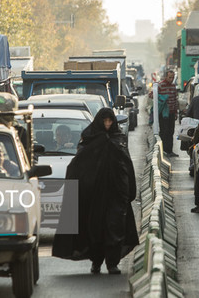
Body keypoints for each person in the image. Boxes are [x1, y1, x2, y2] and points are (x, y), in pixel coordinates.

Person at [52, 108, 139, 274]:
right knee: (95, 229)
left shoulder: (118, 138)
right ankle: (96, 261)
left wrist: (128, 189)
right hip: (93, 193)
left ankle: (112, 263)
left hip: (116, 192)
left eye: (110, 121)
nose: (107, 124)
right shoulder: (90, 137)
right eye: (105, 121)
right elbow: (79, 163)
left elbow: (126, 163)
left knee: (115, 227)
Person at [149, 70, 178, 157]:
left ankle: (170, 151)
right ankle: (164, 151)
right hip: (163, 114)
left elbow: (175, 99)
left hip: (172, 113)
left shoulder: (173, 86)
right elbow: (151, 95)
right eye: (170, 77)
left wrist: (176, 112)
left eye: (173, 77)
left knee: (171, 131)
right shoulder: (160, 85)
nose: (171, 79)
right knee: (164, 132)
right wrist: (161, 99)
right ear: (166, 77)